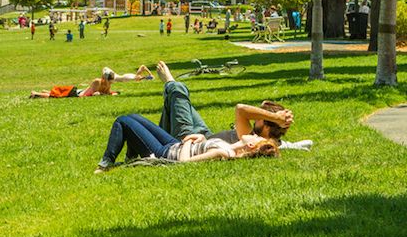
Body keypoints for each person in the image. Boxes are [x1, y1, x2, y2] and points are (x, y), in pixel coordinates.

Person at [154, 61, 293, 143]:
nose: (256, 118)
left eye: (260, 118)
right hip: (204, 133)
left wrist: (275, 117)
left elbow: (241, 109)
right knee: (177, 100)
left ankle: (170, 82)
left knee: (178, 89)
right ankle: (160, 134)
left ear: (268, 127)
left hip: (188, 139)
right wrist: (281, 118)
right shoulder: (274, 140)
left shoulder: (251, 138)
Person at [94, 113, 280, 173]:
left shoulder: (225, 153)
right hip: (174, 144)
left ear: (250, 146)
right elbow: (205, 147)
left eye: (256, 137)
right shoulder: (231, 148)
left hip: (165, 152)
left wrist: (189, 143)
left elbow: (183, 163)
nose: (253, 134)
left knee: (123, 121)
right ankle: (130, 159)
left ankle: (105, 165)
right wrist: (201, 138)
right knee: (133, 117)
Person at [30, 65, 154, 99]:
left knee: (55, 93)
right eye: (110, 81)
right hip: (77, 93)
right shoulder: (97, 82)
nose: (111, 83)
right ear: (105, 79)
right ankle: (36, 94)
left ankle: (42, 92)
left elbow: (106, 92)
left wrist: (113, 93)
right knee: (55, 95)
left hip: (79, 92)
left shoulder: (108, 83)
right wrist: (96, 95)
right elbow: (84, 95)